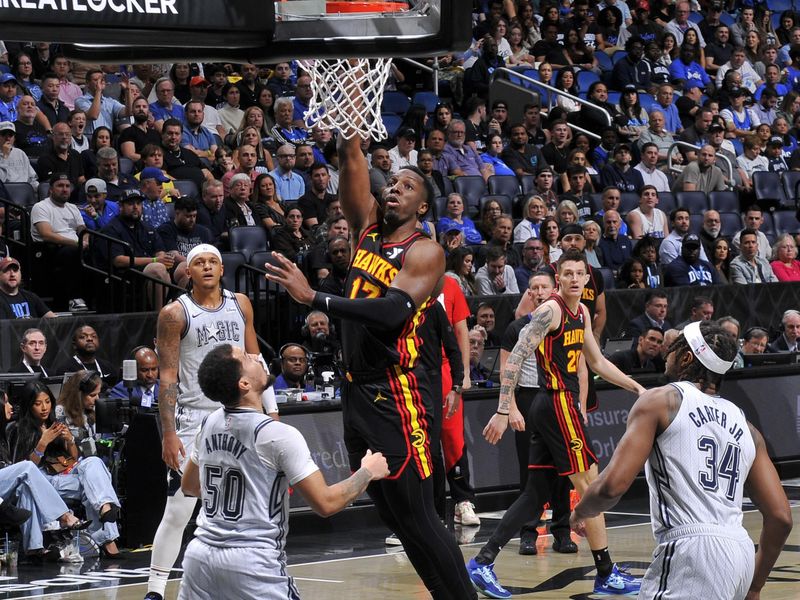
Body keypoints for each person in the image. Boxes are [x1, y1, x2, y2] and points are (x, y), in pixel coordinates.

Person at [264, 108, 479, 598]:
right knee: (391, 513)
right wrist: (351, 121)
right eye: (393, 182)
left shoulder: (424, 251)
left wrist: (314, 298)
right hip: (357, 390)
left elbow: (391, 312)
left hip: (398, 391)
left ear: (422, 207)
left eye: (407, 185)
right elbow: (352, 162)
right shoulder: (366, 231)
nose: (395, 188)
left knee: (419, 514)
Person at [570, 321, 793, 600]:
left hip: (691, 552)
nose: (666, 352)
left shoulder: (660, 401)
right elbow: (781, 518)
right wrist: (755, 585)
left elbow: (611, 487)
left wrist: (582, 511)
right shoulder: (747, 427)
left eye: (674, 348)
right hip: (741, 553)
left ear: (687, 357)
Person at [468, 250, 645, 598]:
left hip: (554, 406)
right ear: (559, 278)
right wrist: (504, 409)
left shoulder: (580, 312)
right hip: (555, 403)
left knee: (535, 494)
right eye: (569, 273)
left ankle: (483, 561)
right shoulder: (551, 310)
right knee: (591, 484)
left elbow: (596, 361)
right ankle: (606, 572)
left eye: (581, 273)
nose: (576, 279)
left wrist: (637, 387)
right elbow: (516, 355)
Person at [177, 344, 389, 600]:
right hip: (252, 562)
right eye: (246, 357)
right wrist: (367, 472)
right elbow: (326, 503)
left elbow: (189, 486)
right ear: (244, 383)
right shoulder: (276, 434)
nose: (256, 356)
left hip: (199, 559)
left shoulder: (209, 423)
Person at [143, 244, 278, 600]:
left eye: (212, 262)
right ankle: (155, 590)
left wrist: (272, 411)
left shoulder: (241, 303)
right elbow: (167, 377)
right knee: (180, 505)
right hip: (194, 417)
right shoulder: (175, 313)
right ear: (188, 271)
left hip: (240, 415)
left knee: (250, 502)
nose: (206, 267)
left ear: (222, 269)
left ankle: (251, 577)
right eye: (198, 262)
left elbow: (255, 357)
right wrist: (169, 433)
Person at [500, 270, 576, 556]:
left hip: (558, 397)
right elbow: (508, 369)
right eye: (535, 288)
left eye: (545, 286)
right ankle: (528, 532)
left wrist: (578, 403)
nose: (540, 292)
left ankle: (562, 531)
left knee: (563, 470)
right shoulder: (516, 328)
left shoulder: (564, 322)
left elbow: (578, 365)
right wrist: (511, 410)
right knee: (529, 472)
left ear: (553, 289)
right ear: (529, 294)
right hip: (528, 397)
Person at [9, 380, 123, 557]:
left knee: (93, 464)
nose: (44, 408)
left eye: (47, 402)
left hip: (64, 477)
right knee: (91, 488)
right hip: (43, 482)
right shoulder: (19, 429)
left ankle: (106, 509)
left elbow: (75, 458)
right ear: (29, 406)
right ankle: (106, 540)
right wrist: (42, 443)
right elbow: (23, 470)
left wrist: (69, 440)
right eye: (38, 404)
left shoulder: (54, 423)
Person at [53, 324, 118, 387]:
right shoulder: (66, 369)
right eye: (83, 337)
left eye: (93, 336)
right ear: (74, 345)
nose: (90, 339)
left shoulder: (108, 367)